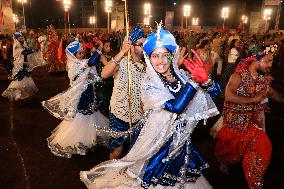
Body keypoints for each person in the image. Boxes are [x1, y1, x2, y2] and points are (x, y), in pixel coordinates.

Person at [80, 23, 221, 189]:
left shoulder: (181, 76)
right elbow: (175, 107)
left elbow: (211, 96)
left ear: (171, 55)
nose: (160, 61)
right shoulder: (149, 84)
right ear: (149, 57)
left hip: (180, 143)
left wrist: (207, 81)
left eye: (165, 55)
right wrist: (194, 82)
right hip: (158, 144)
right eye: (155, 56)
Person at [214, 45, 284, 189]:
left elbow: (272, 93)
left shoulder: (263, 79)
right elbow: (229, 95)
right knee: (229, 150)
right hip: (234, 122)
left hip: (253, 123)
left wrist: (279, 98)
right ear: (255, 61)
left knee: (262, 147)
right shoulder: (238, 76)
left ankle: (254, 182)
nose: (270, 65)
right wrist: (255, 99)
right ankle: (224, 161)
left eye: (271, 61)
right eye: (267, 61)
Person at [42, 39, 109, 158]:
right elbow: (92, 62)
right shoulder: (74, 65)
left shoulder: (80, 62)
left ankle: (91, 139)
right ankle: (81, 141)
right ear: (73, 55)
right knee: (82, 117)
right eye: (79, 53)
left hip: (89, 93)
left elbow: (91, 64)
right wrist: (99, 49)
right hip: (81, 96)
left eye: (82, 52)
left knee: (91, 115)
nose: (82, 54)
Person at [100, 26, 147, 159]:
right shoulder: (121, 62)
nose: (144, 48)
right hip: (119, 114)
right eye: (141, 45)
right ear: (131, 46)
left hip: (138, 116)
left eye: (145, 45)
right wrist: (121, 52)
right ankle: (111, 176)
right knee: (117, 152)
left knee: (136, 153)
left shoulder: (145, 67)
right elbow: (104, 74)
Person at [2, 32, 42, 101]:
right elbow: (24, 52)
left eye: (21, 37)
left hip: (25, 63)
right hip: (20, 65)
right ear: (16, 39)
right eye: (19, 38)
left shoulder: (22, 45)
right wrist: (32, 50)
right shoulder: (16, 45)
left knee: (26, 78)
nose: (21, 39)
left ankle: (24, 95)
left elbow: (27, 51)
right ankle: (16, 94)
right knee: (19, 79)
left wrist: (33, 50)